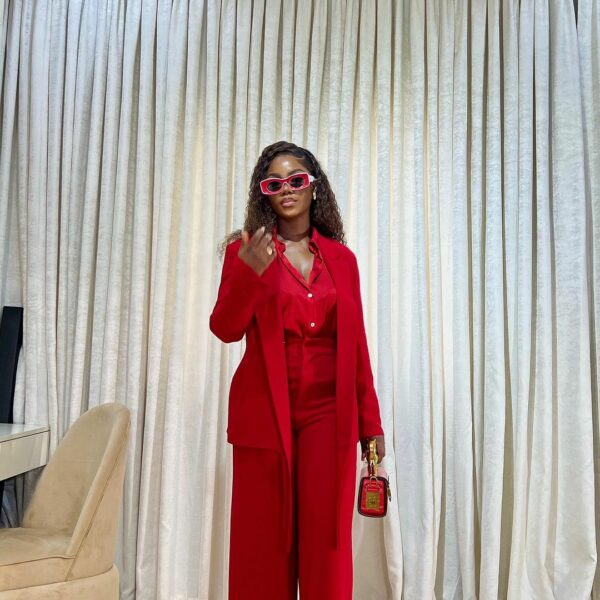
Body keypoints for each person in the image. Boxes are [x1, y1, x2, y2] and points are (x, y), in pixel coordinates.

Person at [209, 140, 386, 599]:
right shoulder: (245, 251)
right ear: (263, 194)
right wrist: (248, 273)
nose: (286, 189)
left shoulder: (342, 260)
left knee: (326, 546)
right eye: (273, 184)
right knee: (262, 547)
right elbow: (225, 329)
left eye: (296, 180)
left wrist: (371, 426)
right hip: (263, 416)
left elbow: (357, 346)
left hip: (329, 416)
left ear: (314, 186)